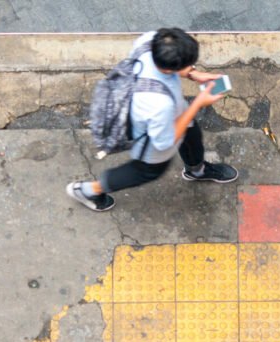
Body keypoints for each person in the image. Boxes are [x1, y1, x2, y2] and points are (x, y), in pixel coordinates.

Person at [67, 27, 237, 212]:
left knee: (192, 137)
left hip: (173, 113)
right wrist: (198, 103)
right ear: (168, 69)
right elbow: (165, 141)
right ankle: (88, 190)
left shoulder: (149, 41)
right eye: (187, 65)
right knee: (146, 171)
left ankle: (197, 171)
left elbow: (167, 66)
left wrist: (193, 74)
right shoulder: (158, 104)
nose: (190, 67)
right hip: (153, 140)